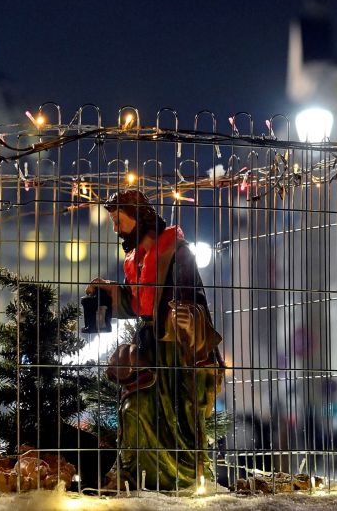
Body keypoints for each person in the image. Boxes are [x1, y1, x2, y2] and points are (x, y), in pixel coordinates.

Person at [86, 190, 224, 492]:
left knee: (180, 417)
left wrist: (189, 317)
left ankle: (184, 479)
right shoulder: (138, 258)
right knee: (133, 406)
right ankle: (134, 474)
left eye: (119, 222)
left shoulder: (177, 252)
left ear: (139, 219)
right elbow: (138, 303)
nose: (115, 230)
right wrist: (110, 292)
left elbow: (194, 300)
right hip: (149, 347)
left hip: (175, 351)